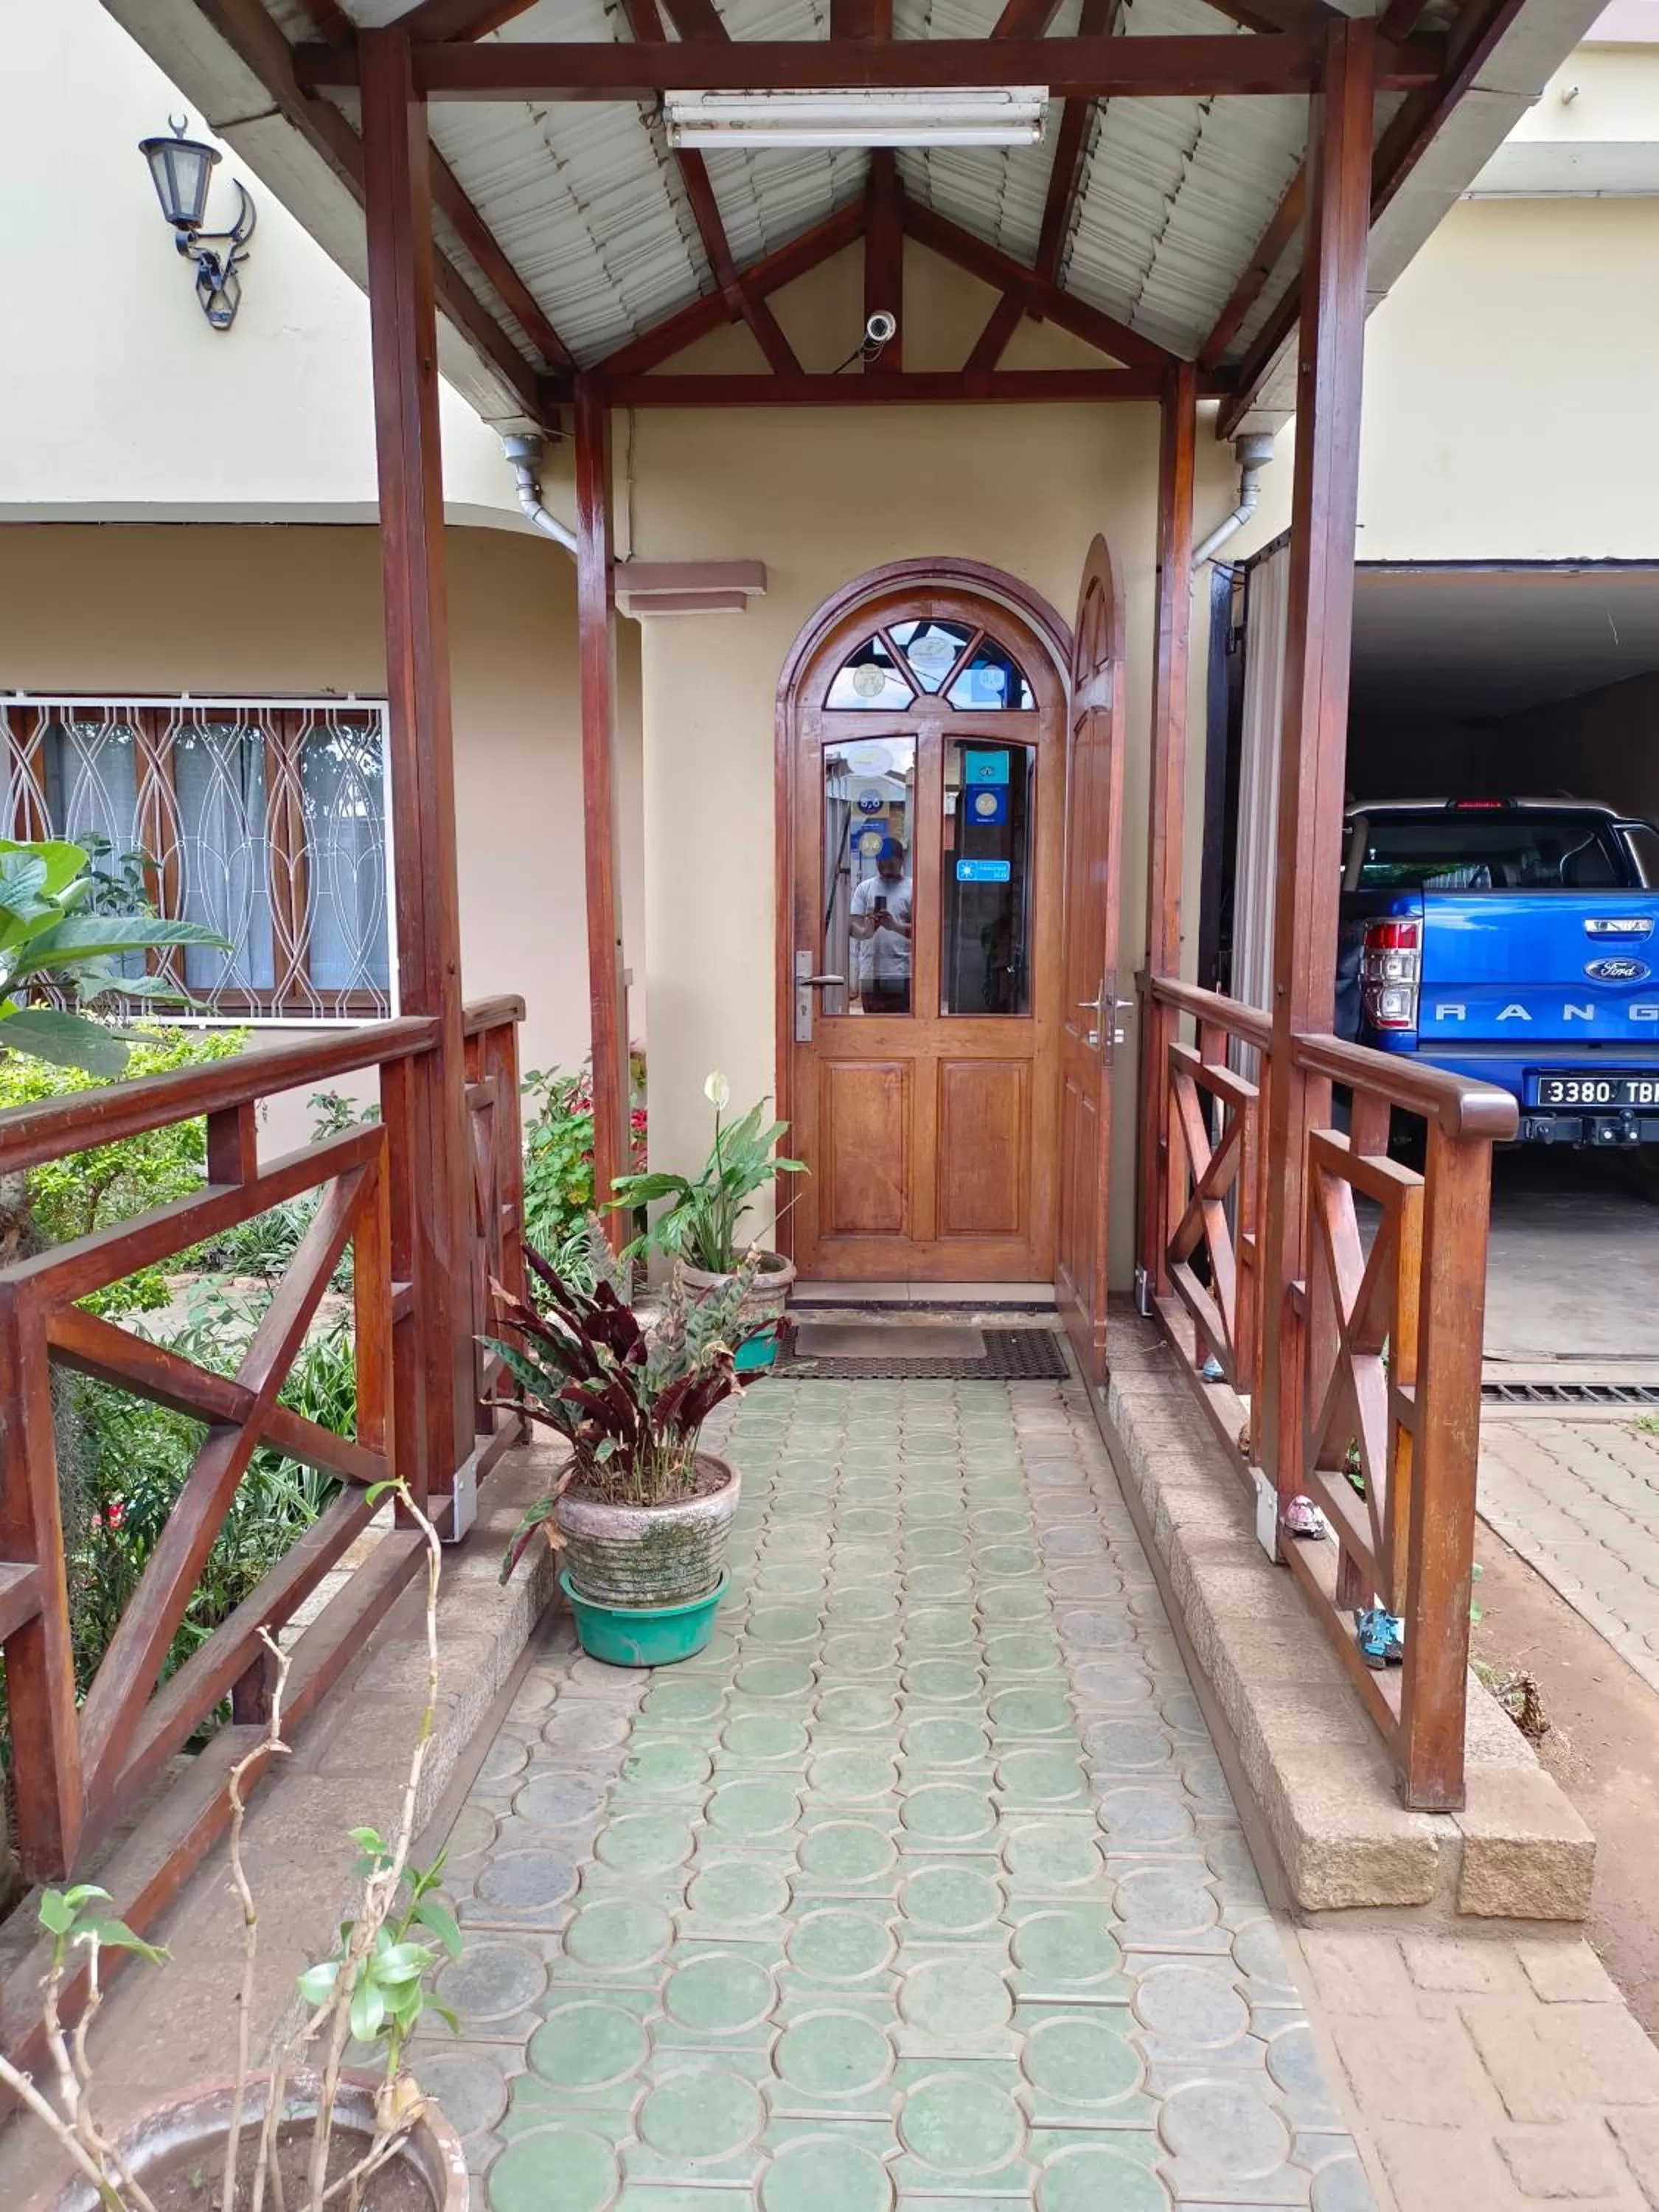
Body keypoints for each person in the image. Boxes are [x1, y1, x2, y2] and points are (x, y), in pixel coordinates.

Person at [849, 836, 913, 1014]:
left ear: (901, 861)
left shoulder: (913, 888)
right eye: (881, 862)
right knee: (872, 1030)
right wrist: (869, 928)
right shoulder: (864, 888)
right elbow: (854, 928)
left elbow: (924, 931)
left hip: (903, 973)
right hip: (871, 972)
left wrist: (894, 926)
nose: (884, 866)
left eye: (889, 862)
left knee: (903, 1030)